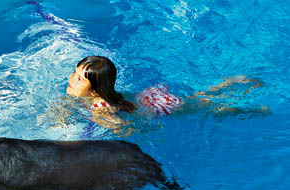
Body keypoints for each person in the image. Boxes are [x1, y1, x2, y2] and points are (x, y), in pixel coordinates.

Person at [65, 56, 267, 133]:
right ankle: (228, 84)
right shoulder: (106, 95)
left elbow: (125, 129)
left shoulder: (100, 109)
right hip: (146, 98)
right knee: (197, 101)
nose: (72, 78)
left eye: (80, 79)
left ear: (95, 89)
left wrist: (140, 129)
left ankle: (248, 108)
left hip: (157, 107)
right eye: (75, 72)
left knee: (206, 108)